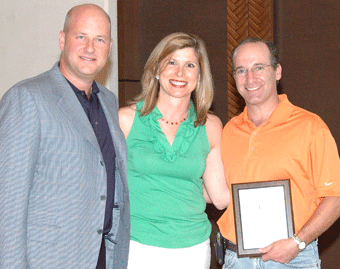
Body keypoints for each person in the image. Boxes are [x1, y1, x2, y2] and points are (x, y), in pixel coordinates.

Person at [0, 4, 129, 269]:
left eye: (99, 39)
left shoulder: (109, 102)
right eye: (81, 36)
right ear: (62, 39)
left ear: (110, 47)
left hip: (101, 257)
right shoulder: (27, 99)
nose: (90, 48)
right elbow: (8, 206)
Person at [217, 37, 340, 268]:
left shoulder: (310, 126)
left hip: (293, 259)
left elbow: (335, 198)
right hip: (236, 259)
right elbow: (218, 193)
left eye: (259, 68)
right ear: (234, 78)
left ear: (277, 71)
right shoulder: (229, 131)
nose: (250, 78)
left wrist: (297, 243)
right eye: (241, 70)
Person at [118, 32, 230, 269]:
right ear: (157, 70)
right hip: (137, 246)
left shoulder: (210, 126)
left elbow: (219, 198)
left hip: (193, 249)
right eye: (172, 62)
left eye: (190, 65)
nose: (180, 73)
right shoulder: (126, 121)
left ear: (199, 76)